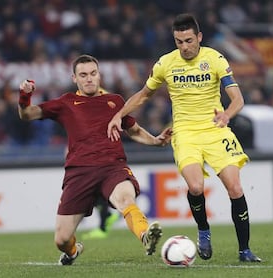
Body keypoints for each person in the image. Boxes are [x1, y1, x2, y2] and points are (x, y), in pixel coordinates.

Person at [107, 13, 261, 263]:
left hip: (215, 129)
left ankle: (244, 250)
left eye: (189, 40)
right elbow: (144, 95)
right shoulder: (166, 63)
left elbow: (237, 99)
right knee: (196, 187)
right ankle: (203, 231)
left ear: (199, 37)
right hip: (186, 133)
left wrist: (226, 116)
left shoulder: (214, 58)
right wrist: (118, 115)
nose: (185, 47)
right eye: (179, 41)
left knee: (234, 187)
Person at [18, 54, 172, 265]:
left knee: (126, 199)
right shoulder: (66, 103)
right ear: (75, 78)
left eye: (93, 73)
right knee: (62, 239)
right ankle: (72, 251)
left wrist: (156, 141)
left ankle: (146, 236)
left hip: (113, 167)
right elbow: (27, 114)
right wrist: (24, 96)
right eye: (83, 75)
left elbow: (134, 131)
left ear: (99, 75)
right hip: (79, 173)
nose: (89, 78)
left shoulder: (115, 101)